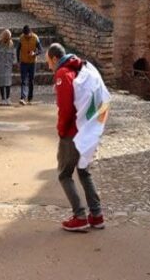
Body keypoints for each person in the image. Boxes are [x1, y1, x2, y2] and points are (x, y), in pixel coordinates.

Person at [46, 43, 111, 233]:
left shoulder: (63, 74)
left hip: (72, 133)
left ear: (55, 58)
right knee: (83, 170)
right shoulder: (81, 68)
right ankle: (96, 215)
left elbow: (66, 108)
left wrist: (61, 129)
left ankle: (79, 216)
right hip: (87, 131)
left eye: (49, 62)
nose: (49, 66)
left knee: (64, 173)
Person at [18, 25, 42, 105]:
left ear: (30, 32)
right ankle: (22, 98)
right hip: (23, 62)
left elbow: (41, 50)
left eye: (27, 35)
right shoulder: (21, 38)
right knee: (23, 80)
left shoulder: (35, 38)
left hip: (32, 63)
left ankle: (30, 98)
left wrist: (35, 53)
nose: (26, 36)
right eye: (25, 35)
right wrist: (18, 60)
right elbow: (18, 49)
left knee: (31, 80)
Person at [0, 30, 17, 106]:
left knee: (8, 82)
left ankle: (8, 98)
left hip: (8, 66)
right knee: (1, 82)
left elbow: (13, 55)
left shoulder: (11, 44)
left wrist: (11, 62)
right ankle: (3, 98)